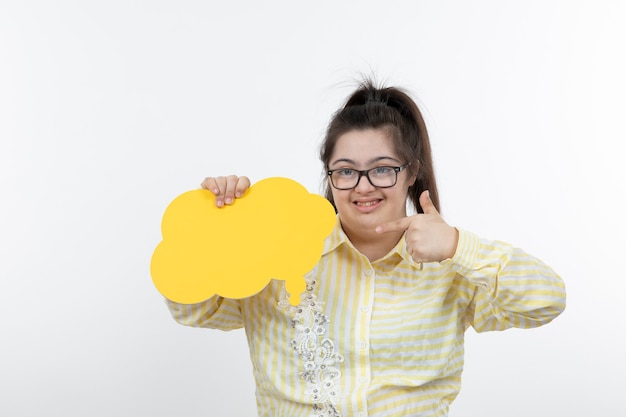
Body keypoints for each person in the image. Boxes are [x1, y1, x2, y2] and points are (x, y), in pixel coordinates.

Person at [165, 79, 566, 417]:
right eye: (346, 171)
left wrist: (460, 245)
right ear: (329, 175)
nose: (363, 186)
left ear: (411, 172)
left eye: (382, 169)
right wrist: (213, 228)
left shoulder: (450, 267)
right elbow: (194, 309)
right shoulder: (275, 250)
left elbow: (546, 300)